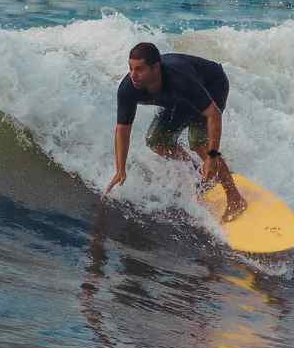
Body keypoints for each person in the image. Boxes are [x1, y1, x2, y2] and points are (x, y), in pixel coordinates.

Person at [104, 42, 247, 221]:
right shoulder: (128, 88)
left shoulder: (180, 79)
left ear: (155, 68)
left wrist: (211, 156)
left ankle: (236, 199)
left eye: (139, 69)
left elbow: (213, 115)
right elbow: (122, 130)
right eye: (131, 68)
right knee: (156, 140)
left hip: (211, 85)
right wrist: (120, 170)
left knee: (198, 142)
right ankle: (199, 174)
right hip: (178, 98)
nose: (133, 75)